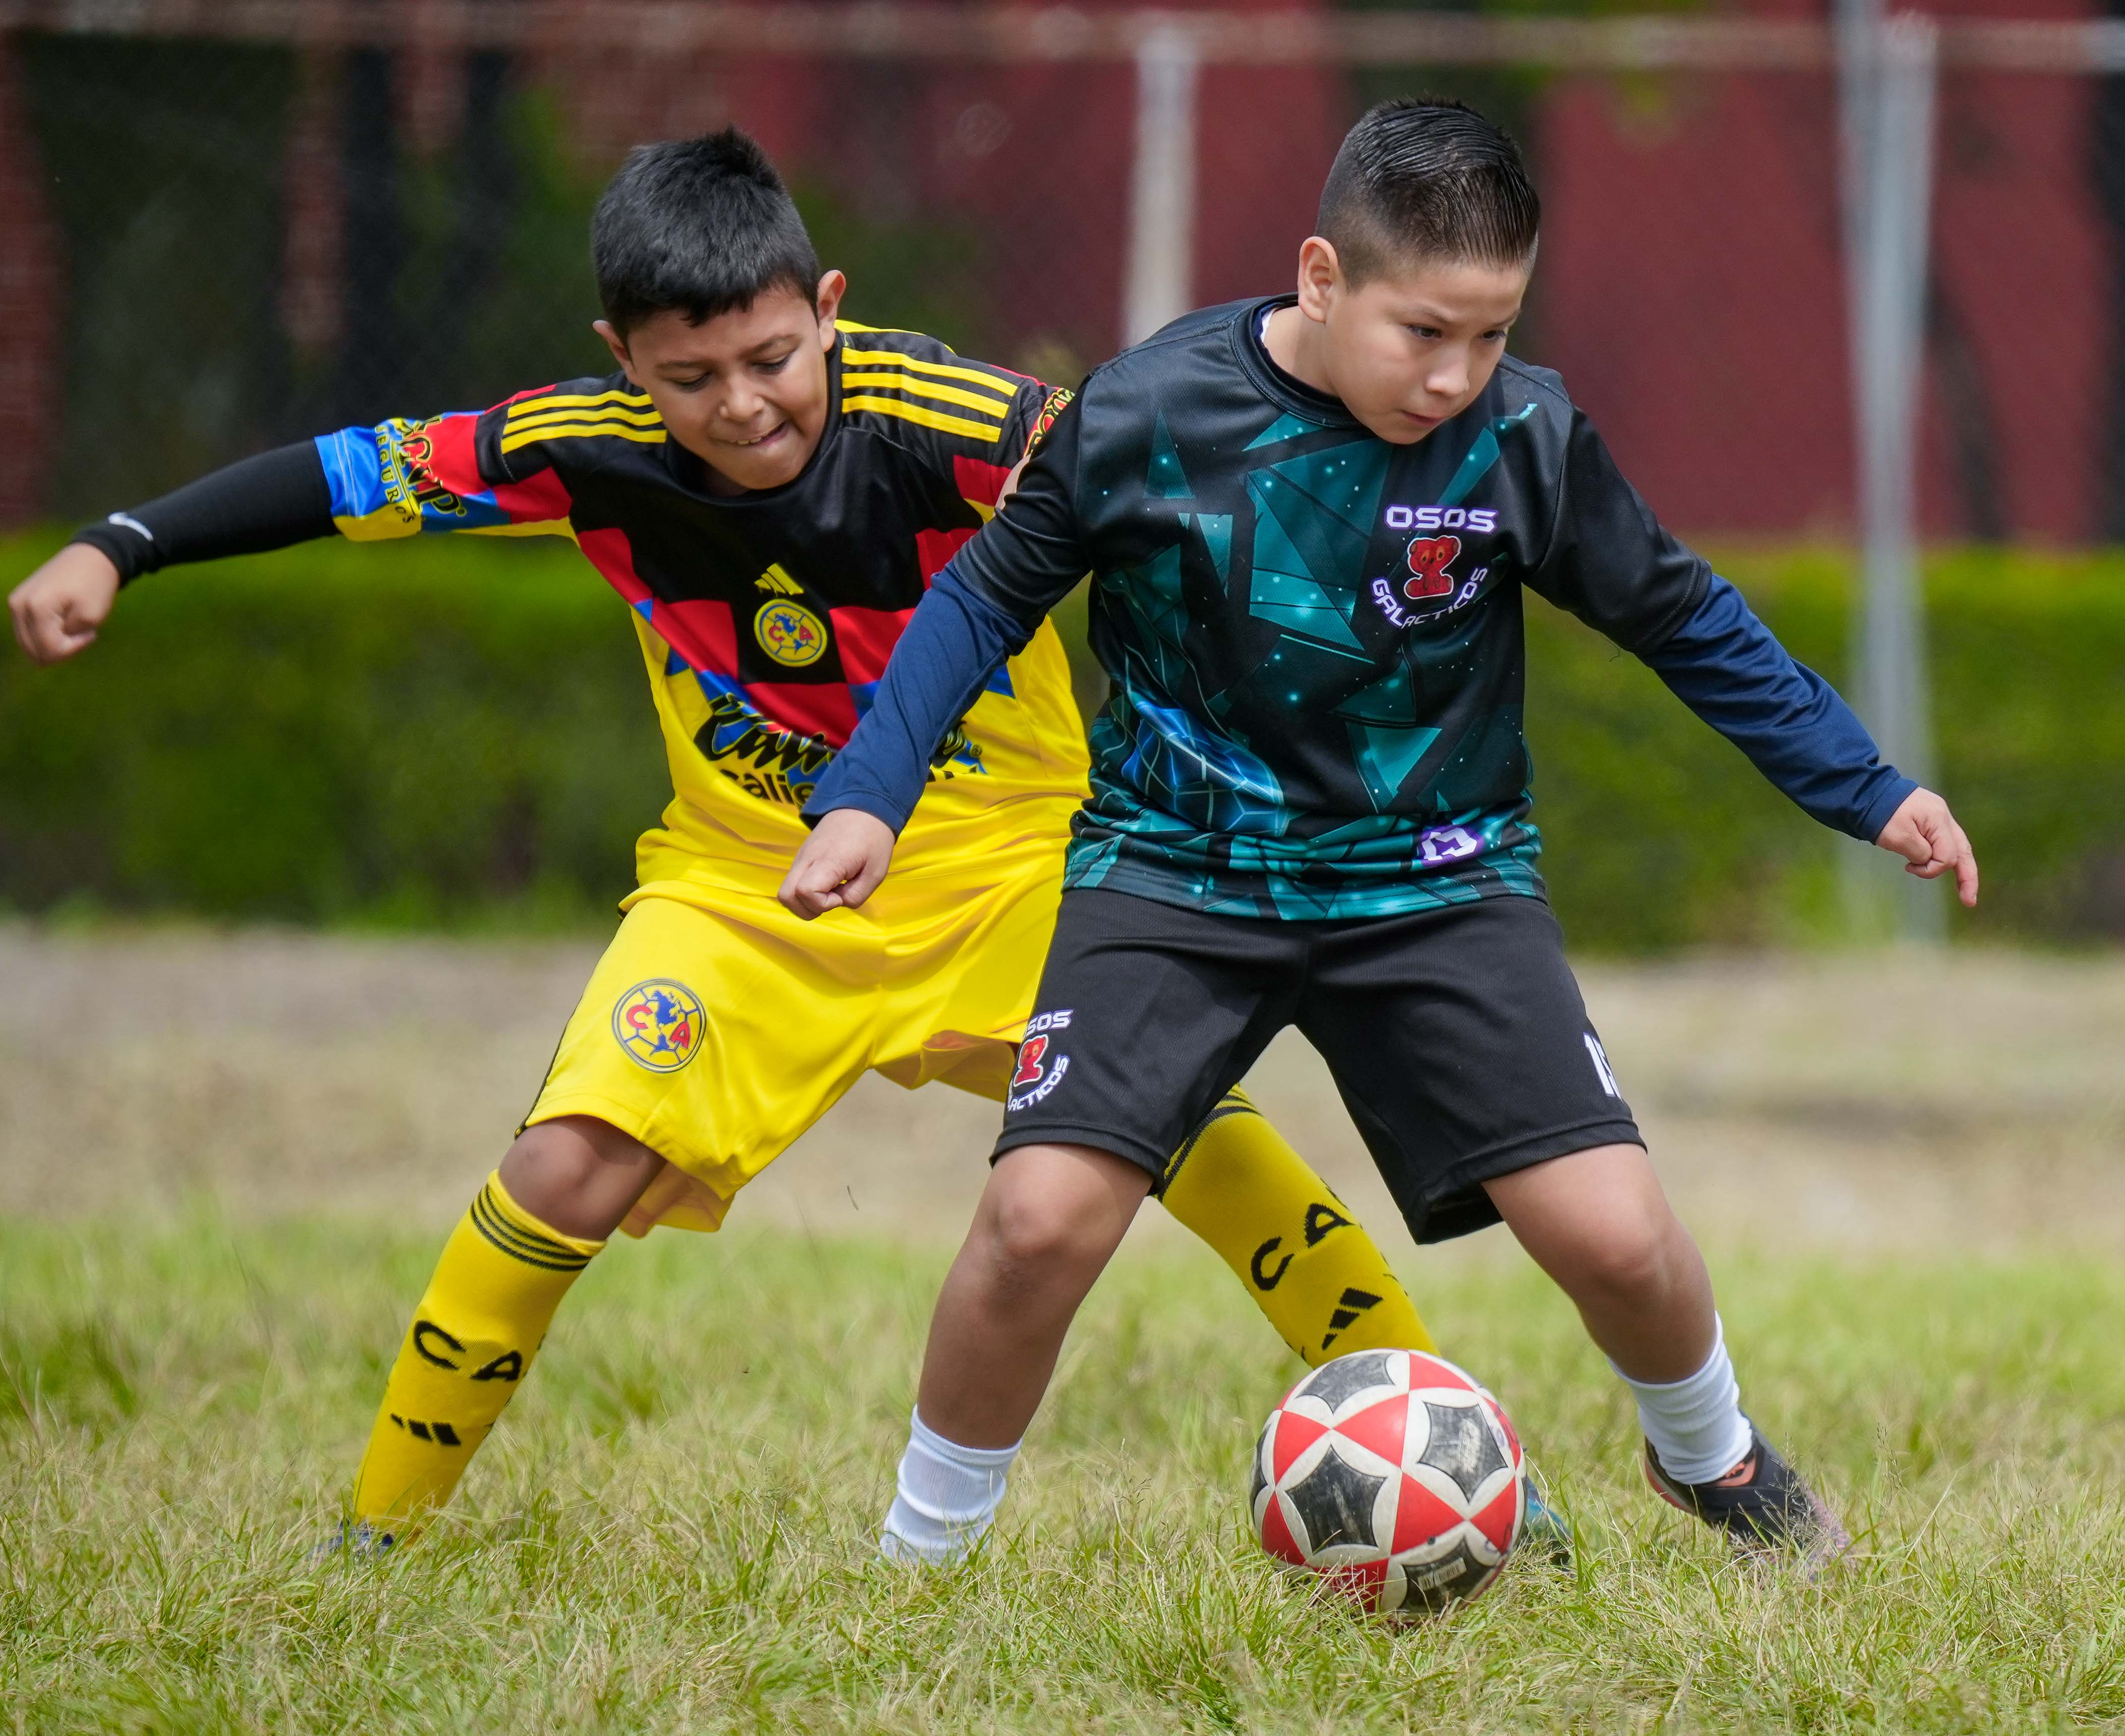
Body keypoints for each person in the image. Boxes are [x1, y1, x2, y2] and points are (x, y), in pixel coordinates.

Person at [6, 128, 1509, 1558]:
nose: (739, 405)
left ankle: (1451, 1457)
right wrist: (121, 543)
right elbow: (344, 478)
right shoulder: (582, 450)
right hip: (746, 895)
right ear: (621, 361)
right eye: (690, 377)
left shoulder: (959, 421)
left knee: (1187, 1139)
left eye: (772, 359)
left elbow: (1186, 487)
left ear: (828, 310)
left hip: (1016, 872)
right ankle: (373, 1535)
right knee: (561, 1170)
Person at [784, 98, 1981, 1572]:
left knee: (1617, 1239)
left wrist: (1863, 785)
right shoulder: (1147, 414)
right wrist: (867, 793)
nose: (1458, 374)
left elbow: (1680, 616)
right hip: (1174, 871)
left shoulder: (1527, 439)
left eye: (1492, 335)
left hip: (1438, 882)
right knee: (1037, 1223)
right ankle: (921, 1555)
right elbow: (978, 598)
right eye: (1426, 331)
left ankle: (1714, 1462)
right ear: (1321, 276)